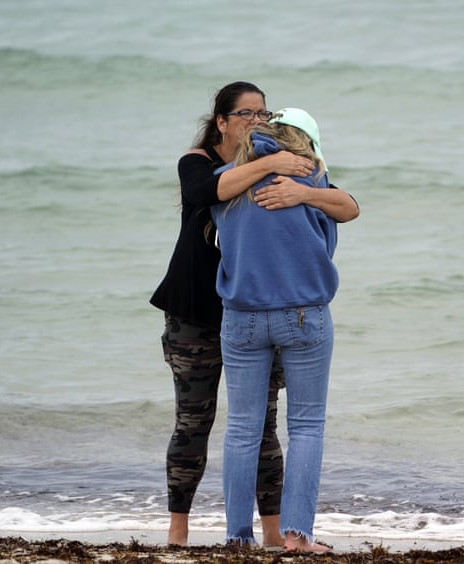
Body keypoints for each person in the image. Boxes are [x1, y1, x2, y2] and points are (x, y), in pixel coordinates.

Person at [150, 83, 359, 547]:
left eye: (262, 113)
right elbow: (208, 190)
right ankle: (278, 534)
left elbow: (349, 205)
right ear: (221, 121)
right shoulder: (208, 167)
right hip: (211, 313)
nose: (255, 120)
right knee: (220, 423)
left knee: (252, 428)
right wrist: (283, 171)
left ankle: (246, 536)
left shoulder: (272, 179)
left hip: (239, 315)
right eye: (245, 113)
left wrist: (298, 189)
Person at [212, 109, 342, 553]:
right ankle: (297, 537)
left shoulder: (226, 182)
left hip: (242, 316)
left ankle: (237, 538)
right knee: (305, 426)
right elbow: (349, 209)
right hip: (304, 313)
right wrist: (307, 192)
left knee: (242, 429)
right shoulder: (310, 179)